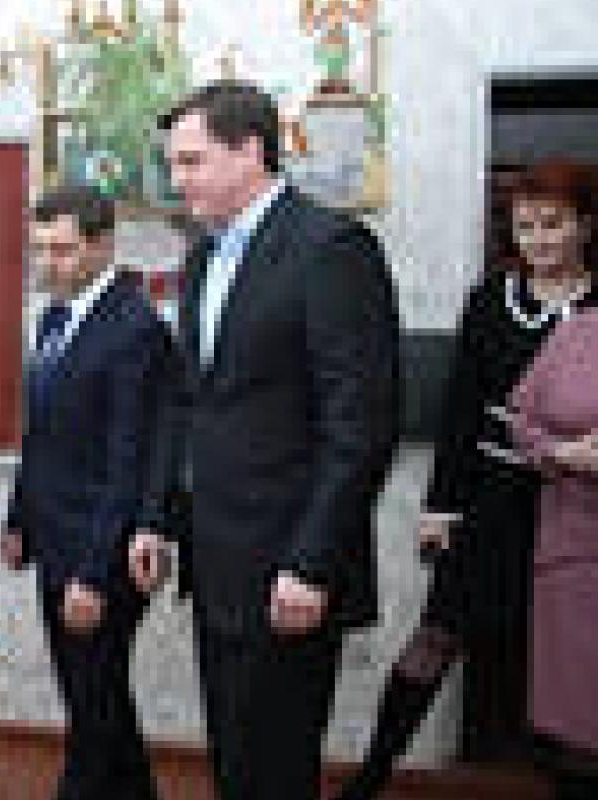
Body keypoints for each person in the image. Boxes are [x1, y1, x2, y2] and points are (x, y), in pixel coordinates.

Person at [143, 80, 400, 800]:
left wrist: (312, 562)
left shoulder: (330, 249)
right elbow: (192, 402)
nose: (177, 180)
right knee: (236, 758)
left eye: (191, 161)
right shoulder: (204, 258)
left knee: (278, 769)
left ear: (250, 152)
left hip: (289, 567)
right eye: (173, 163)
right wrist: (158, 517)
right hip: (216, 561)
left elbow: (360, 426)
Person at [335, 163, 597, 799]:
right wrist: (440, 506)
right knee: (437, 636)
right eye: (525, 226)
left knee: (565, 657)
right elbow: (461, 411)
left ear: (585, 226)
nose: (538, 239)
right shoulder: (489, 302)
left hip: (573, 507)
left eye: (553, 224)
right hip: (490, 500)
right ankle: (372, 775)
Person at [1, 184, 172, 800]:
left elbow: (129, 462)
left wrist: (95, 574)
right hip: (53, 540)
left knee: (93, 711)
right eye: (41, 249)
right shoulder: (53, 318)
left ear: (103, 246)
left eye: (63, 250)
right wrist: (18, 519)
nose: (48, 263)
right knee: (95, 697)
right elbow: (41, 435)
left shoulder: (135, 328)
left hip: (102, 553)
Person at [509, 271, 598, 798]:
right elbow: (521, 419)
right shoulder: (578, 331)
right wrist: (562, 452)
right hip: (574, 552)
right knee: (577, 724)